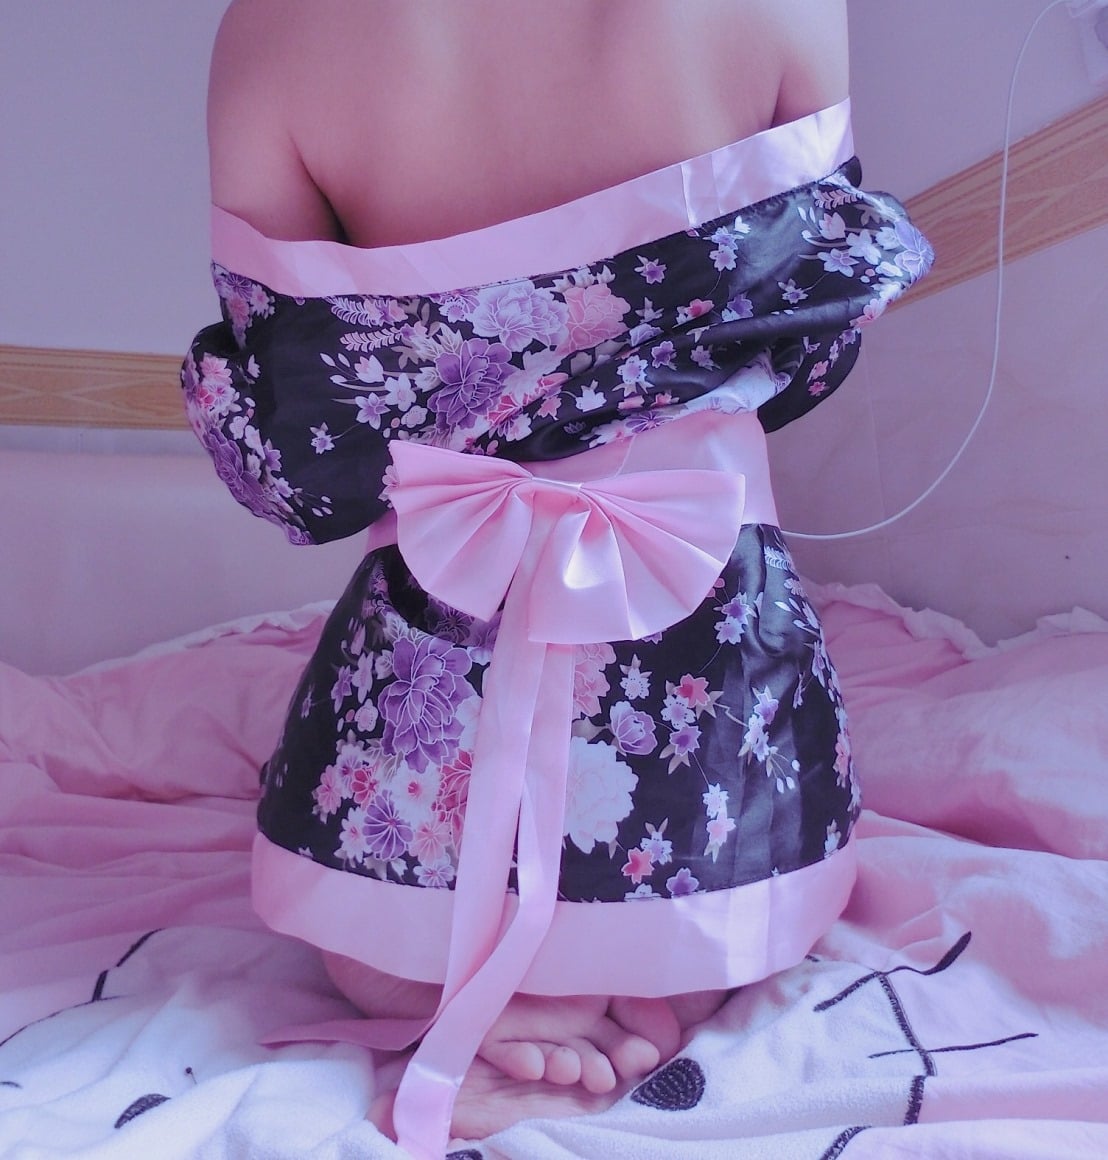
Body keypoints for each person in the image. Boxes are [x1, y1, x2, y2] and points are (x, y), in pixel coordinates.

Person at [187, 1, 931, 1155]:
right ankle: (639, 985)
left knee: (366, 933)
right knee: (731, 911)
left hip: (415, 724)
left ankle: (457, 989)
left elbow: (294, 455)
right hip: (702, 697)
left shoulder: (271, 29)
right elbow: (813, 325)